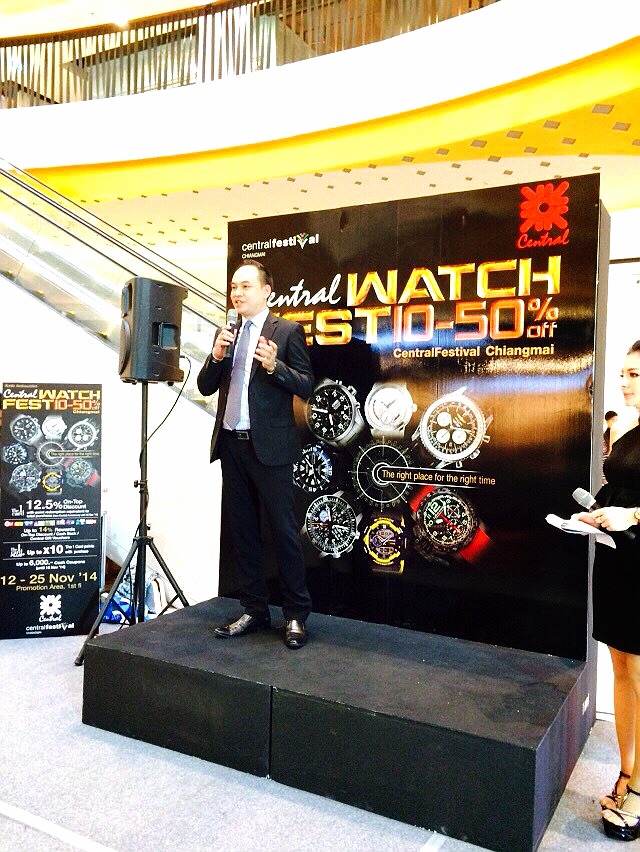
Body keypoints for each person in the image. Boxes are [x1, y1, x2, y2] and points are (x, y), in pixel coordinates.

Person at [197, 260, 314, 649]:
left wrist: (275, 366)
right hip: (232, 445)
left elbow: (306, 385)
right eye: (234, 286)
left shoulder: (287, 331)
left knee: (283, 532)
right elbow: (205, 385)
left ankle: (295, 615)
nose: (237, 293)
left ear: (267, 290)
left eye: (245, 286)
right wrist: (216, 356)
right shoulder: (227, 333)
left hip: (271, 448)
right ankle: (254, 609)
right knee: (243, 532)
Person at [574, 341, 640, 840]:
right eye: (623, 372)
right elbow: (614, 488)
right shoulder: (628, 428)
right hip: (619, 560)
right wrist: (594, 512)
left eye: (634, 374)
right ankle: (627, 772)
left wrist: (633, 515)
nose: (624, 381)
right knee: (622, 666)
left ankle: (638, 792)